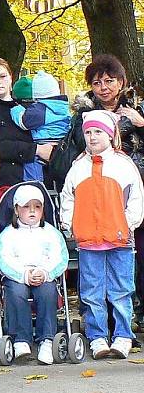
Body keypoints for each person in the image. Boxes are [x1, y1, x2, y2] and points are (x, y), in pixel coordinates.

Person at [58, 55, 144, 330]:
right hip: (96, 194)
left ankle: (132, 318)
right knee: (96, 266)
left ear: (121, 81)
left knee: (135, 257)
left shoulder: (137, 107)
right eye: (98, 82)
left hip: (133, 190)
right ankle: (99, 322)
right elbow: (73, 151)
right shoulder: (83, 116)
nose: (104, 87)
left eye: (110, 81)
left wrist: (141, 122)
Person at [0, 185, 68, 364]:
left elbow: (60, 257)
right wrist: (24, 274)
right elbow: (3, 259)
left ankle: (46, 340)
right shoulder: (8, 235)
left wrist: (45, 272)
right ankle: (21, 339)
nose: (32, 211)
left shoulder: (51, 233)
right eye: (27, 207)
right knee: (16, 293)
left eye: (37, 207)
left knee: (48, 293)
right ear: (17, 210)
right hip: (18, 276)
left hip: (44, 274)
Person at [0, 57, 55, 188]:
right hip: (5, 184)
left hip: (42, 182)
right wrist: (36, 150)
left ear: (11, 78)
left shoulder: (30, 109)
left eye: (2, 76)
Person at [9, 70, 70, 182]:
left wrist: (16, 109)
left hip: (44, 141)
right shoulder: (63, 106)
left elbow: (24, 122)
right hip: (60, 141)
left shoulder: (40, 109)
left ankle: (34, 185)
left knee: (31, 161)